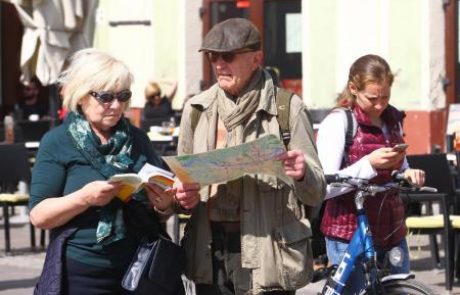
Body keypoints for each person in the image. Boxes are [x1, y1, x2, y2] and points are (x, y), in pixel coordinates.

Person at [29, 48, 200, 294]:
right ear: (81, 96)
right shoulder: (57, 141)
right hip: (83, 273)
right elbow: (39, 216)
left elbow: (164, 208)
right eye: (106, 97)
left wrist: (165, 204)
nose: (116, 105)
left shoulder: (137, 139)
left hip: (141, 267)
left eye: (123, 96)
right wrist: (84, 198)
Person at [175, 18, 326, 294]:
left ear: (256, 59)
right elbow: (182, 181)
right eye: (213, 56)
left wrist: (302, 173)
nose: (219, 64)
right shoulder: (196, 109)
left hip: (270, 252)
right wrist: (182, 196)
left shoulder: (287, 108)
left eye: (229, 56)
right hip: (211, 253)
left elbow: (316, 193)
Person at [316, 54, 426, 295]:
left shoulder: (393, 120)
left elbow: (400, 165)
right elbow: (324, 187)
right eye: (372, 98)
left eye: (385, 97)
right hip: (349, 233)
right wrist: (369, 164)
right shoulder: (338, 123)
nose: (380, 104)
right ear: (354, 89)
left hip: (391, 230)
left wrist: (408, 173)